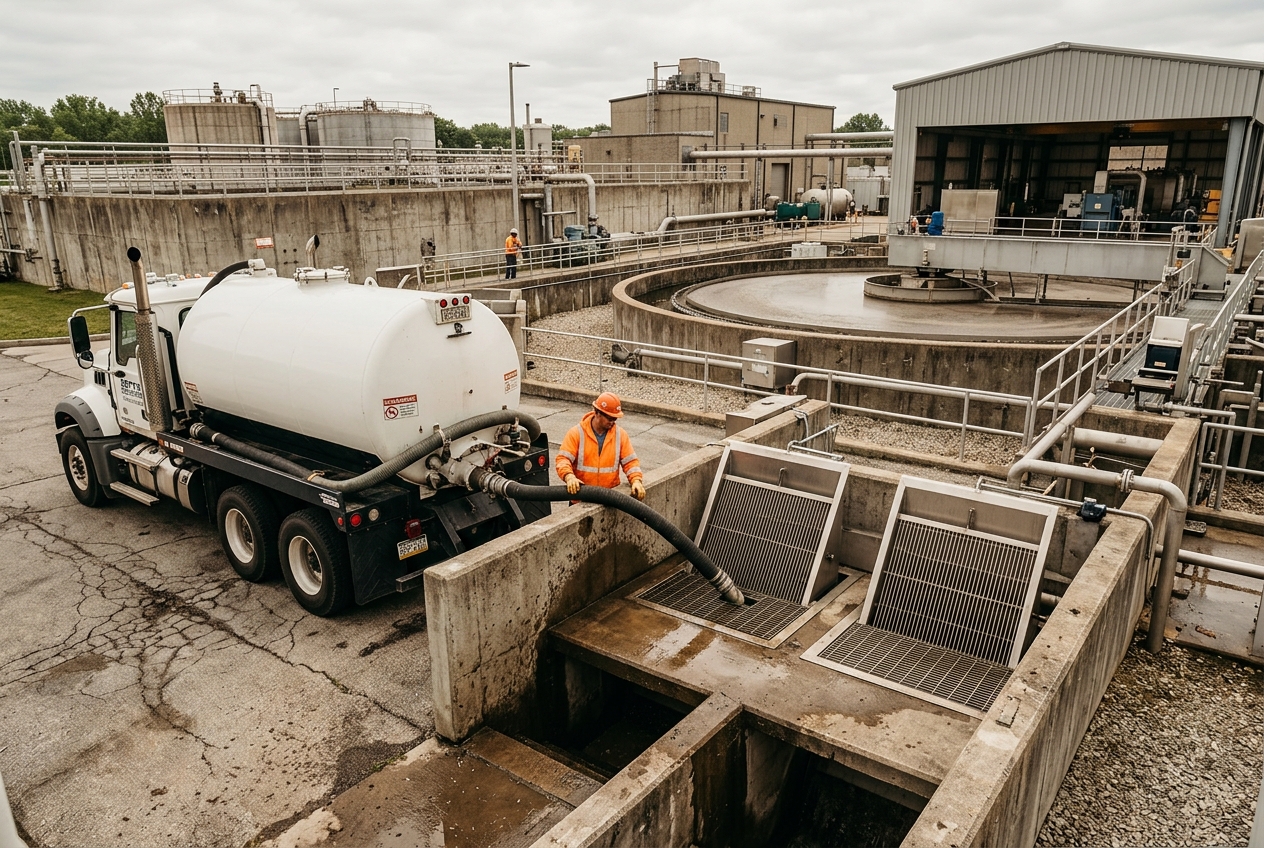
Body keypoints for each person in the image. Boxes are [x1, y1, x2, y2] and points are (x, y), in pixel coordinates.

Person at [556, 392, 646, 501]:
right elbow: (563, 459)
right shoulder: (576, 433)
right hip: (581, 499)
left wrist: (636, 480)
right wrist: (569, 477)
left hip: (609, 499)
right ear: (597, 413)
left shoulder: (620, 435)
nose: (612, 422)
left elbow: (630, 462)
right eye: (610, 418)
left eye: (615, 419)